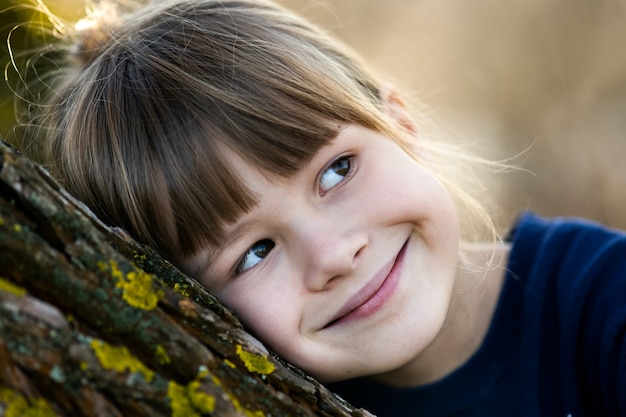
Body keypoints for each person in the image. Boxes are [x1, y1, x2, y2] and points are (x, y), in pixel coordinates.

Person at [15, 0, 626, 415]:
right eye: (254, 253)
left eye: (337, 170)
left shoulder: (601, 301)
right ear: (194, 308)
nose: (333, 255)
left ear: (400, 124)